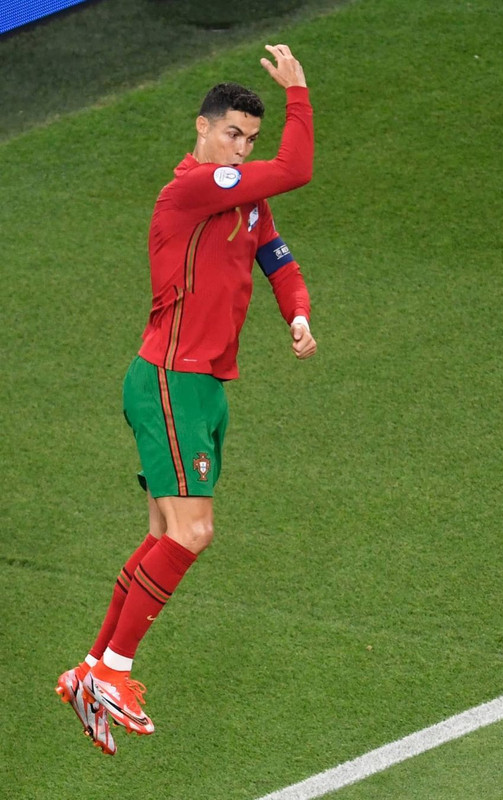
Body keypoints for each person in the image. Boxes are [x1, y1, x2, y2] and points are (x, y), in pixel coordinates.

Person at [55, 43, 316, 756]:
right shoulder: (194, 188)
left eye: (250, 138)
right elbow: (297, 168)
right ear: (202, 128)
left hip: (200, 385)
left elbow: (278, 258)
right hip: (170, 379)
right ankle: (112, 672)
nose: (242, 148)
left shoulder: (243, 198)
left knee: (163, 535)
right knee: (192, 532)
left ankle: (90, 669)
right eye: (233, 133)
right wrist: (298, 94)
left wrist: (297, 313)